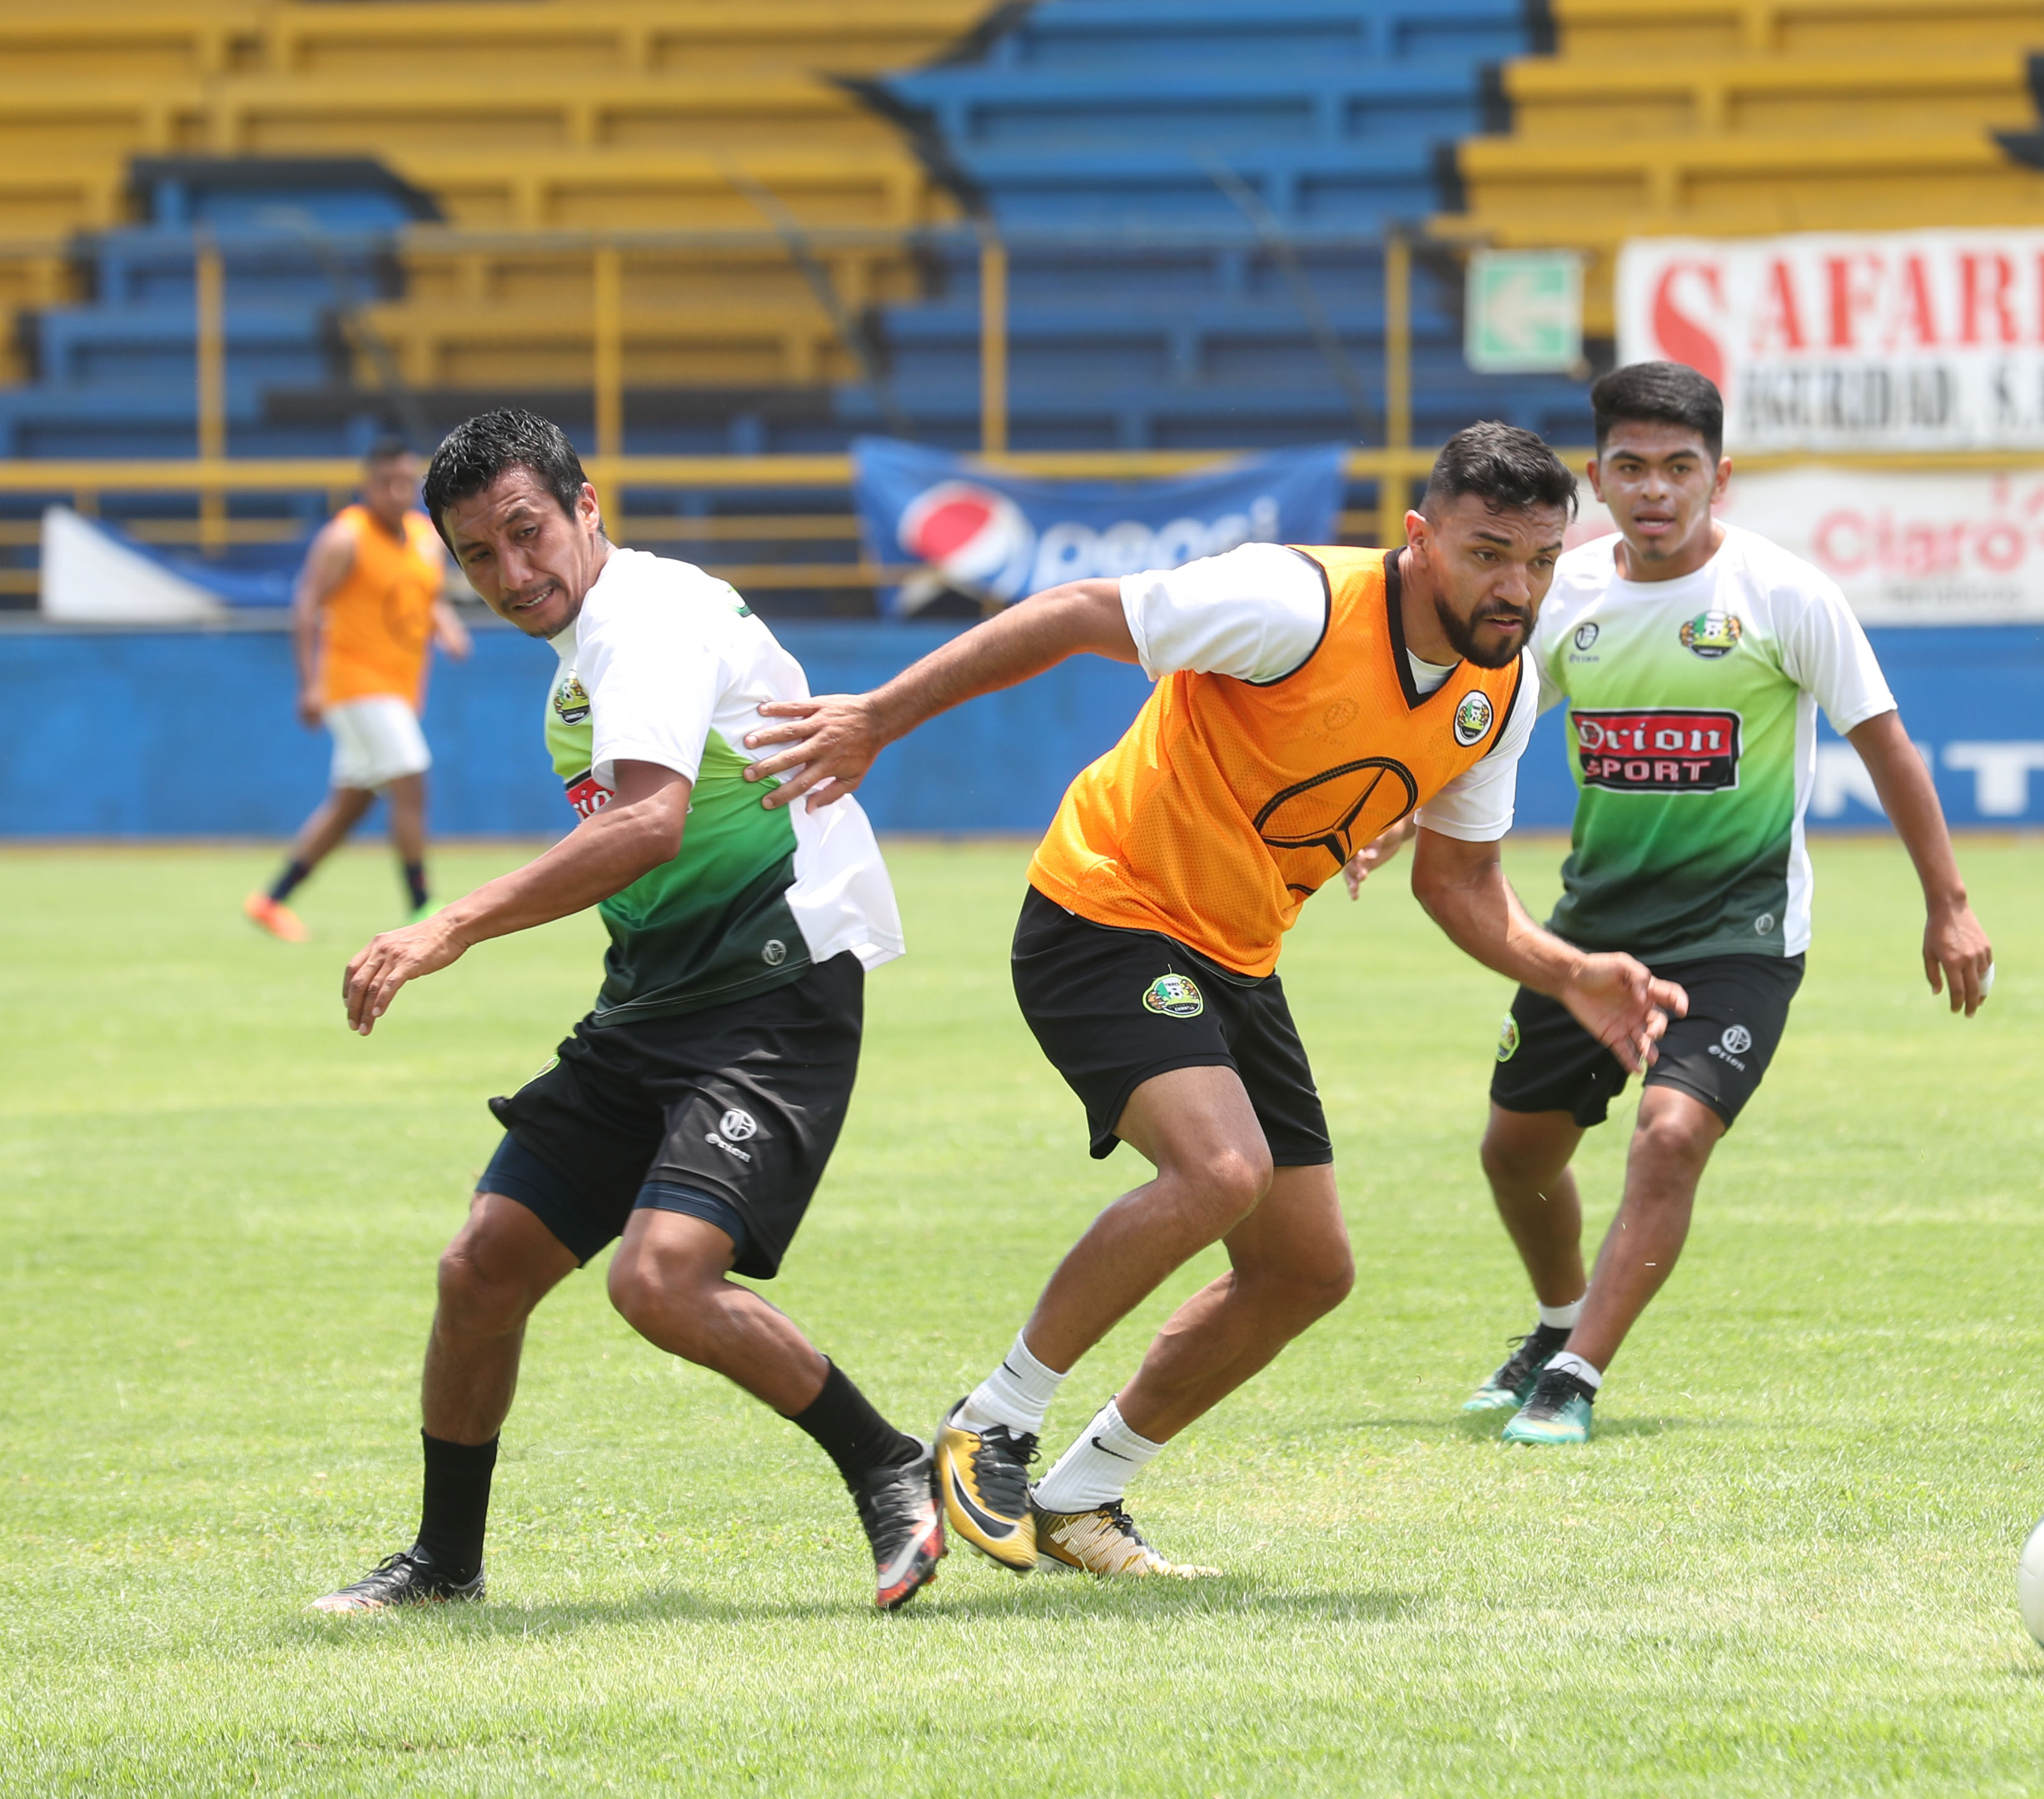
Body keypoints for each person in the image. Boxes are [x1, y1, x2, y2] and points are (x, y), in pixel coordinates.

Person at [740, 422, 1683, 1578]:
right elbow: (1082, 610)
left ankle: (1083, 1495)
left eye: (1542, 560)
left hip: (1234, 953)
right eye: (1490, 553)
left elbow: (1461, 882)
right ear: (1420, 537)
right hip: (1104, 911)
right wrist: (878, 718)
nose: (1517, 585)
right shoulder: (1291, 604)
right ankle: (991, 1419)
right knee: (1220, 1169)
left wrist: (1570, 969)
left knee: (1305, 1269)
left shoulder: (1504, 683)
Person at [308, 410, 939, 1616]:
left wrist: (446, 924)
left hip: (775, 986)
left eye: (526, 533)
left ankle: (889, 1465)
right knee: (481, 1268)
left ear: (586, 505)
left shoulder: (648, 620)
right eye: (478, 557)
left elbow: (649, 822)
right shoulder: (591, 637)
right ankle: (445, 1565)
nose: (510, 574)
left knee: (659, 1280)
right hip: (657, 999)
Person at [1347, 363, 1993, 1448]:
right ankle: (1556, 1320)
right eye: (1632, 469)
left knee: (1670, 1133)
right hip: (1587, 932)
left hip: (1735, 934)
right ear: (1596, 479)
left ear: (1720, 478)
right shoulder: (1561, 596)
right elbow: (1480, 714)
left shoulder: (1785, 595)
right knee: (1513, 1153)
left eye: (1680, 468)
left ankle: (1575, 1374)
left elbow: (1883, 743)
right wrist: (1404, 811)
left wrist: (1950, 905)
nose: (1656, 490)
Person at [246, 438, 472, 942]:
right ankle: (421, 903)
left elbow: (427, 595)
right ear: (367, 486)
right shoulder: (345, 538)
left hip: (399, 686)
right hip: (355, 683)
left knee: (353, 803)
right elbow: (306, 606)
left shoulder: (422, 536)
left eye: (406, 482)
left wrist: (447, 627)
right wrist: (309, 685)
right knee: (411, 777)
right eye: (387, 483)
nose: (398, 492)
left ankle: (271, 899)